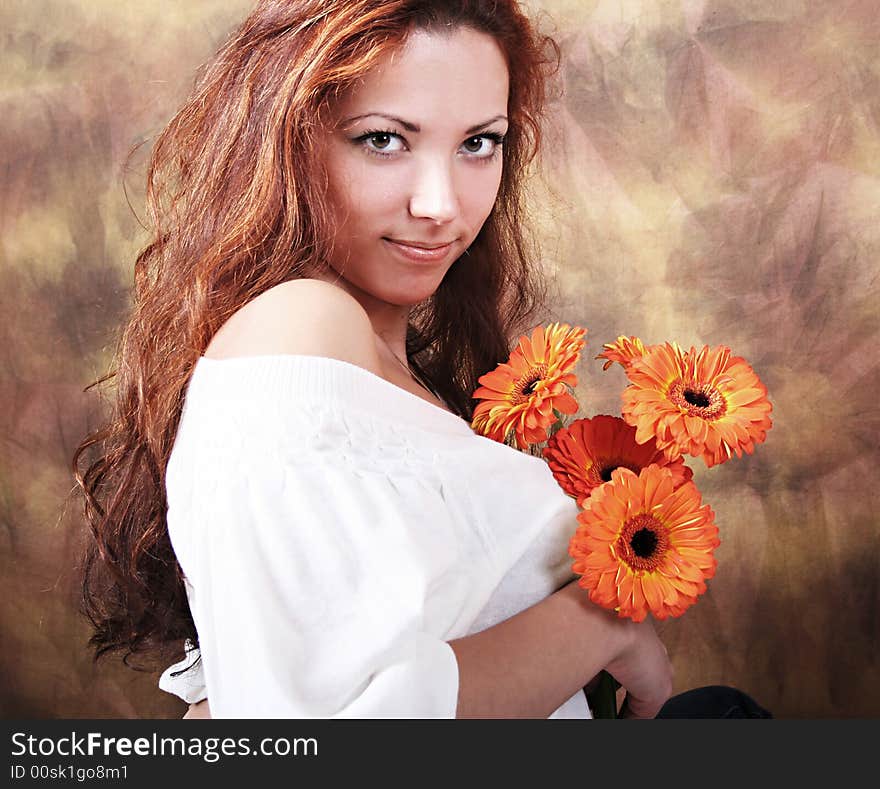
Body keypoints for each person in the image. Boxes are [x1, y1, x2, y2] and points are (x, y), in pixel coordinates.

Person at [73, 0, 766, 720]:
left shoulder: (379, 363)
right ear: (288, 143)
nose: (440, 204)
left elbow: (267, 686)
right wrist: (602, 622)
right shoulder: (300, 322)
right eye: (383, 140)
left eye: (478, 144)